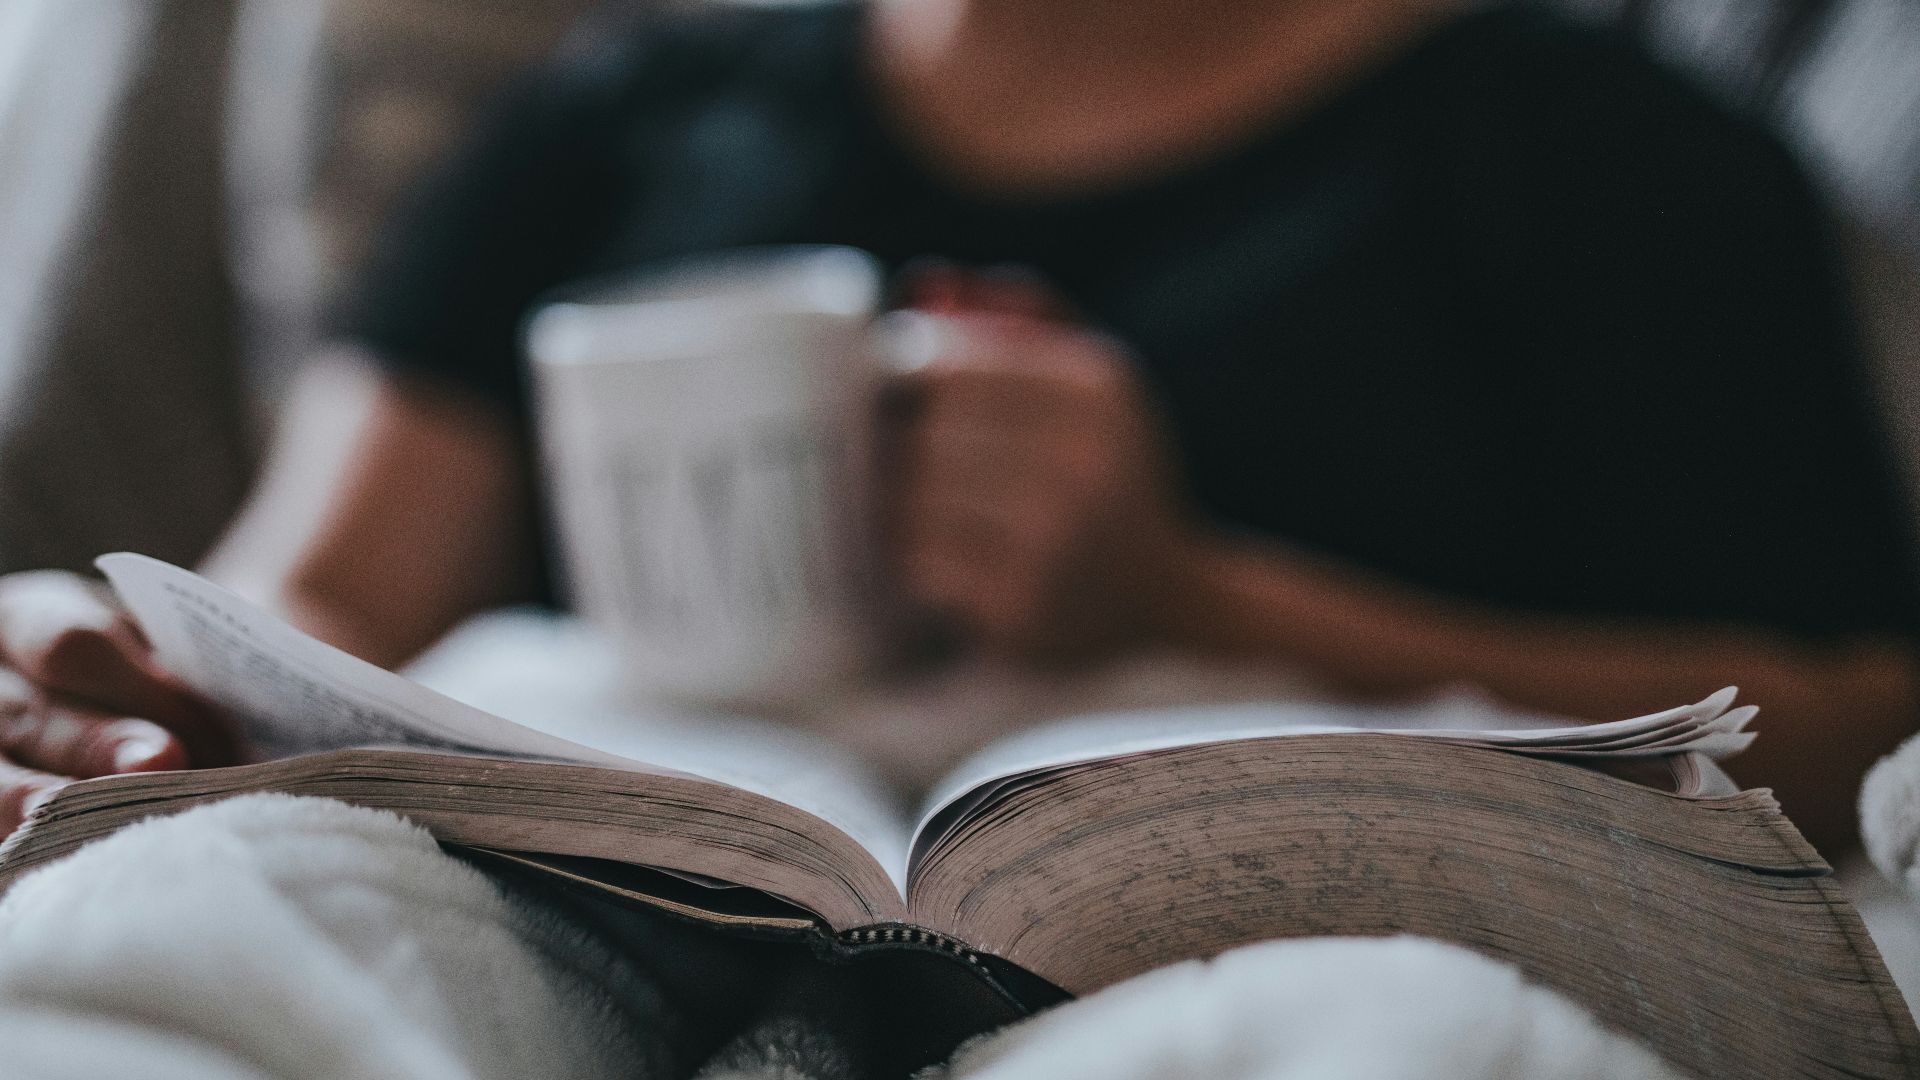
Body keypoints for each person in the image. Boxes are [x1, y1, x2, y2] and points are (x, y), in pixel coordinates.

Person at [0, 0, 1914, 854]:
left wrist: (1192, 593)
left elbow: (1850, 724)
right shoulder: (610, 127)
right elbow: (311, 588)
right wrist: (90, 664)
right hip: (604, 908)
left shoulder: (1603, 153)